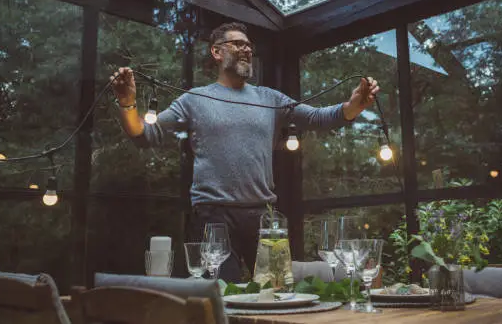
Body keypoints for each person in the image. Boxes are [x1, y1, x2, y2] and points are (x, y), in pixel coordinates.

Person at [110, 22, 380, 282]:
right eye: (237, 44)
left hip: (263, 215)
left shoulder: (270, 99)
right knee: (221, 295)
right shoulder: (195, 99)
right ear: (217, 52)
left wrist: (353, 106)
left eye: (249, 46)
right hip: (212, 216)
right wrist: (127, 103)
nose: (247, 50)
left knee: (275, 290)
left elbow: (319, 118)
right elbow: (145, 134)